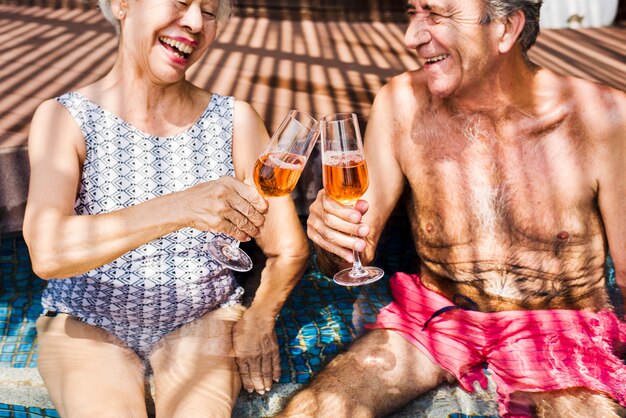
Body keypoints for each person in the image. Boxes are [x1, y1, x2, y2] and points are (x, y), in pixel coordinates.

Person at [277, 0, 626, 417]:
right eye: (412, 13)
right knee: (314, 410)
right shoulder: (402, 104)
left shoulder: (603, 119)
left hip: (559, 326)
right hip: (436, 315)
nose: (412, 37)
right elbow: (354, 253)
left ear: (505, 28)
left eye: (437, 14)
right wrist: (329, 235)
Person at [22, 0, 309, 416]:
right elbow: (47, 253)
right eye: (180, 2)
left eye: (209, 12)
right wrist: (182, 207)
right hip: (86, 320)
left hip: (202, 318)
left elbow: (288, 249)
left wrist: (259, 319)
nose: (194, 22)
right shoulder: (64, 118)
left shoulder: (234, 120)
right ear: (122, 5)